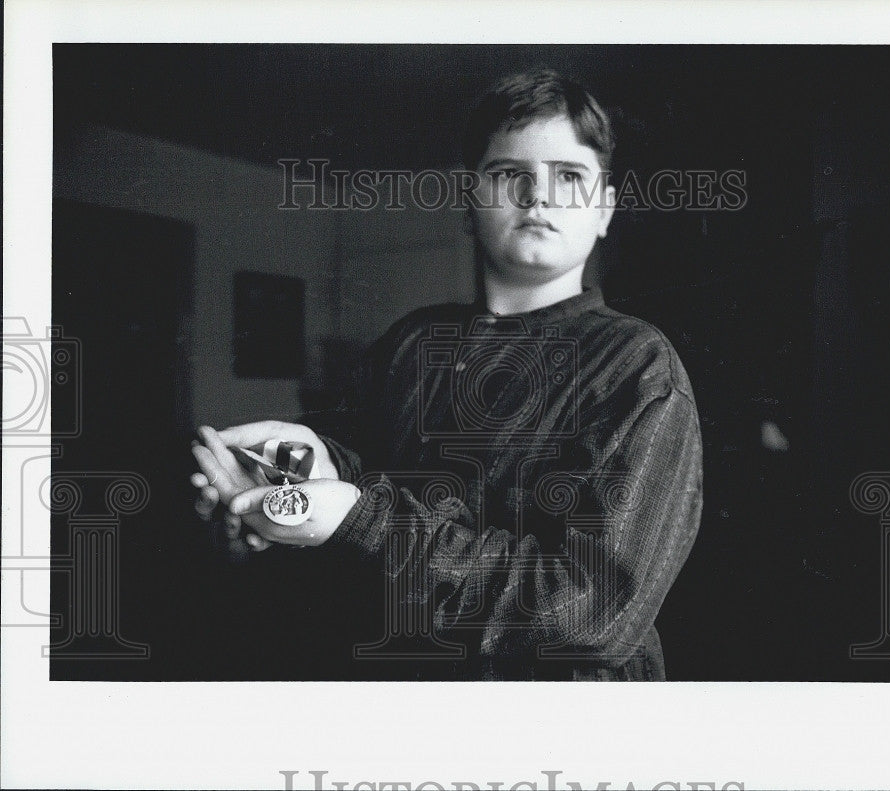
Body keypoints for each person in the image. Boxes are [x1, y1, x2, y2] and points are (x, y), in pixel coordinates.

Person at [191, 69, 703, 681]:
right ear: (470, 201)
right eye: (509, 175)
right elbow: (355, 477)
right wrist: (294, 480)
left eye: (569, 177)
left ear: (604, 212)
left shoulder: (638, 369)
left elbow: (588, 613)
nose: (538, 197)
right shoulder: (412, 340)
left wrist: (356, 519)